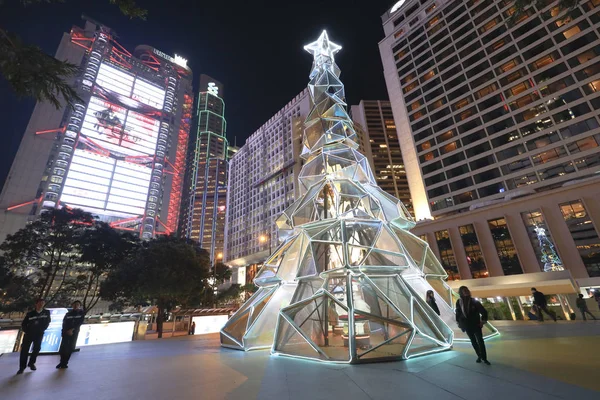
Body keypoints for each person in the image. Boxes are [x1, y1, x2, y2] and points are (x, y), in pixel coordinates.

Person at [455, 286, 490, 365]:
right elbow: (458, 313)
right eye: (463, 291)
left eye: (466, 290)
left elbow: (484, 311)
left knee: (480, 341)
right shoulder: (458, 302)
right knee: (473, 341)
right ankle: (479, 356)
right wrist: (458, 322)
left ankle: (484, 358)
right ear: (461, 293)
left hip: (476, 324)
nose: (466, 292)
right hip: (467, 325)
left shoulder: (474, 301)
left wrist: (482, 321)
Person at [18, 298, 51, 374]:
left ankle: (31, 363)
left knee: (36, 348)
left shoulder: (46, 312)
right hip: (29, 334)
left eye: (42, 303)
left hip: (39, 334)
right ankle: (22, 367)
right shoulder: (30, 314)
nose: (41, 304)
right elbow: (24, 324)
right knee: (24, 350)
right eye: (39, 303)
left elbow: (47, 322)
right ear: (36, 304)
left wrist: (42, 329)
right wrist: (27, 331)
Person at [57, 300, 85, 369]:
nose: (76, 306)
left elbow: (79, 323)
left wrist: (72, 330)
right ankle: (61, 362)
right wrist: (64, 331)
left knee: (70, 348)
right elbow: (64, 323)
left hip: (74, 333)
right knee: (63, 349)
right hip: (65, 332)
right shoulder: (68, 314)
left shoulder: (81, 313)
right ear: (72, 305)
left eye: (77, 304)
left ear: (79, 306)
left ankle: (65, 363)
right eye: (74, 304)